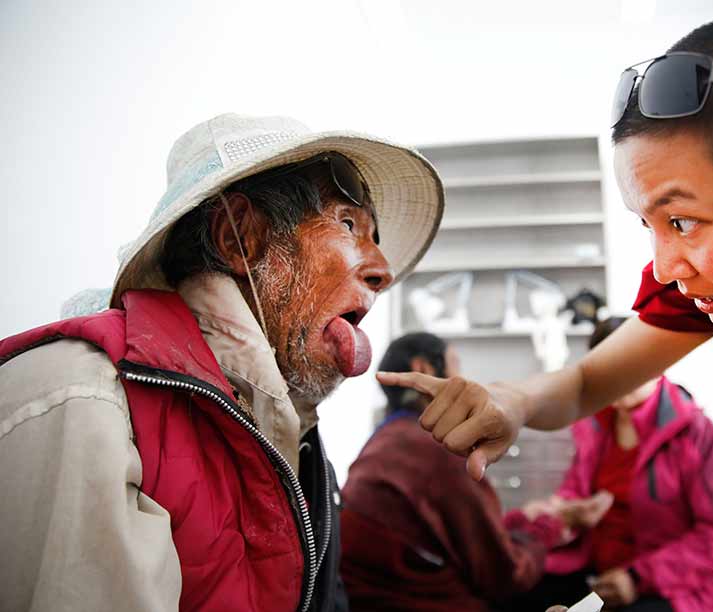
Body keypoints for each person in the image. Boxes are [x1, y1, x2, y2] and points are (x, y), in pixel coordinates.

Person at [378, 12, 713, 611]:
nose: (667, 268)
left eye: (682, 221)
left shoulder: (690, 422)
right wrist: (512, 401)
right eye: (647, 225)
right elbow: (586, 382)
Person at [0, 113, 443, 611]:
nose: (382, 271)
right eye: (347, 224)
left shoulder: (300, 448)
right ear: (240, 238)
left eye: (375, 238)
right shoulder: (84, 403)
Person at [340, 332, 610, 611]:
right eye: (455, 364)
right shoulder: (434, 449)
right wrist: (549, 527)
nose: (467, 380)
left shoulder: (384, 441)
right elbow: (506, 575)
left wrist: (520, 521)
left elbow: (448, 537)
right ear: (423, 369)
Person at [513, 317, 713, 612]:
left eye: (627, 368)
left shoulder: (694, 433)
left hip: (676, 583)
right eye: (605, 371)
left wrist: (636, 578)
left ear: (657, 364)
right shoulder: (595, 426)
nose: (616, 381)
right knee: (518, 591)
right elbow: (575, 489)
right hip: (600, 573)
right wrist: (566, 511)